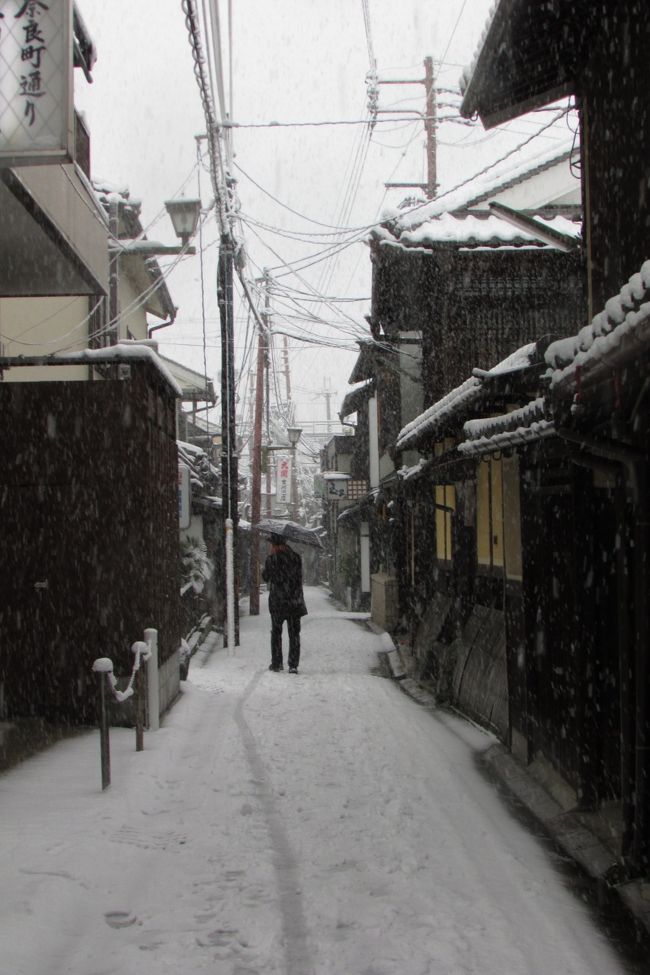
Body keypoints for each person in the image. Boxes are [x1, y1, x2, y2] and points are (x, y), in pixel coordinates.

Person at [261, 533, 307, 673]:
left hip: (278, 602)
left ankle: (277, 663)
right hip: (294, 601)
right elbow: (298, 578)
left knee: (276, 632)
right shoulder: (296, 558)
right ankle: (293, 665)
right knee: (294, 634)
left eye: (272, 545)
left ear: (275, 545)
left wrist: (269, 566)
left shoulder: (272, 560)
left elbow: (265, 577)